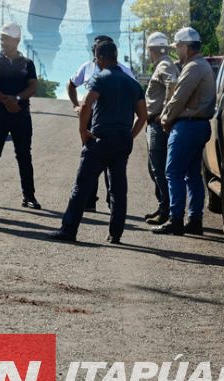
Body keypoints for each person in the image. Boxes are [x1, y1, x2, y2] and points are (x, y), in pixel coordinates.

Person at [49, 41, 147, 244]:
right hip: (122, 141)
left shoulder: (100, 79)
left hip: (101, 139)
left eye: (96, 58)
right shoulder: (133, 84)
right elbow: (143, 116)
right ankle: (115, 234)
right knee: (118, 189)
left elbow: (86, 104)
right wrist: (130, 135)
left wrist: (83, 131)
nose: (96, 61)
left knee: (82, 185)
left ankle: (68, 230)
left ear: (101, 58)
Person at [152, 27, 216, 236]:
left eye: (178, 46)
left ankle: (176, 218)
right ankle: (194, 219)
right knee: (191, 175)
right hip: (198, 125)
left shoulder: (193, 67)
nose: (177, 51)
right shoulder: (200, 65)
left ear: (186, 47)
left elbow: (179, 96)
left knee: (174, 172)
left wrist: (166, 117)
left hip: (187, 125)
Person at [66, 35, 135, 212]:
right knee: (89, 161)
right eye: (95, 49)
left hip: (113, 120)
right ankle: (89, 201)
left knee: (111, 165)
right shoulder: (87, 67)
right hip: (92, 118)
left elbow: (136, 96)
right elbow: (72, 84)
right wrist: (76, 106)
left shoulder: (124, 71)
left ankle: (112, 202)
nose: (96, 54)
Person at [0, 22, 41, 210]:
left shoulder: (27, 64)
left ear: (17, 40)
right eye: (2, 38)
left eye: (7, 39)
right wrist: (7, 101)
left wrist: (18, 99)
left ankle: (29, 196)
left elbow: (32, 86)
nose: (3, 42)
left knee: (24, 156)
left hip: (21, 113)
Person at [143, 31, 179, 226]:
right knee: (154, 167)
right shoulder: (163, 64)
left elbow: (172, 84)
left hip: (157, 124)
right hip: (153, 124)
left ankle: (166, 209)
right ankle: (163, 205)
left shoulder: (164, 64)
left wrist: (165, 112)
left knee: (159, 168)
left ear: (153, 50)